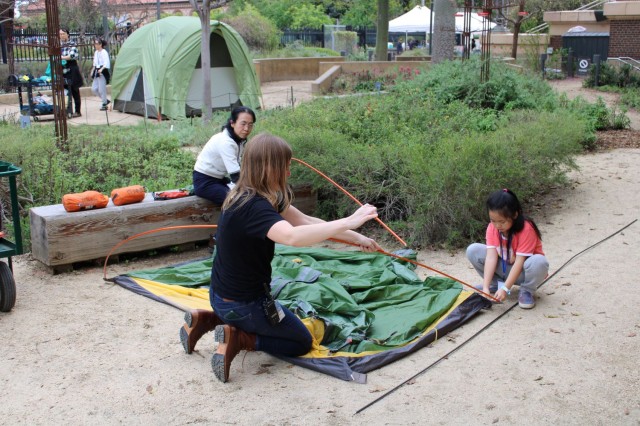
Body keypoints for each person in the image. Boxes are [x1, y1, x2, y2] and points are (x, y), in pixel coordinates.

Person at [180, 133, 382, 383]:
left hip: (220, 296)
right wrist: (352, 219)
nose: (288, 173)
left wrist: (356, 238)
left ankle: (209, 318)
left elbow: (307, 222)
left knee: (257, 312)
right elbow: (293, 237)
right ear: (268, 168)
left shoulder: (244, 194)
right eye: (284, 166)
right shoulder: (254, 207)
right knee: (300, 341)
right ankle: (240, 338)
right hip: (244, 305)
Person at [466, 189, 549, 309]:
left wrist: (506, 289)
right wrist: (485, 287)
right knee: (473, 250)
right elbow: (490, 257)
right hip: (505, 268)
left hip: (524, 272)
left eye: (502, 221)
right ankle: (495, 285)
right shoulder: (492, 228)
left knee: (539, 261)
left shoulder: (526, 229)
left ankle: (526, 290)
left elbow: (520, 262)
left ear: (515, 215)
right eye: (493, 220)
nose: (497, 225)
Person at [193, 106, 256, 206]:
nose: (246, 128)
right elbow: (235, 175)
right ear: (232, 123)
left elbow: (239, 166)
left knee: (248, 195)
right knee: (238, 201)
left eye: (250, 125)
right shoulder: (225, 142)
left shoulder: (238, 139)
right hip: (204, 182)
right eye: (243, 124)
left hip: (219, 179)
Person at [59, 28, 84, 117]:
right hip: (63, 71)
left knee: (74, 91)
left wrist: (61, 57)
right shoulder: (60, 45)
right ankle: (67, 110)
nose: (61, 35)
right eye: (60, 34)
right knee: (65, 91)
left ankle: (77, 111)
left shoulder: (72, 44)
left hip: (72, 70)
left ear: (68, 34)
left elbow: (72, 56)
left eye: (63, 34)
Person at [90, 38, 111, 111]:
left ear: (100, 44)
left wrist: (101, 70)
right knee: (94, 89)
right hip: (97, 71)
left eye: (97, 44)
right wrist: (93, 70)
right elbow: (95, 63)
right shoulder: (96, 52)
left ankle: (104, 104)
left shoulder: (104, 52)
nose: (95, 45)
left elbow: (106, 63)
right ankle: (105, 100)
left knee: (102, 89)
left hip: (102, 71)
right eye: (95, 44)